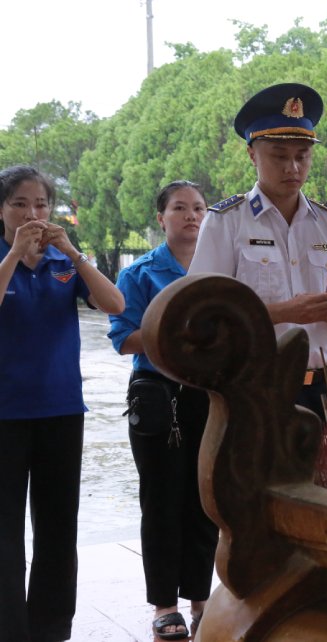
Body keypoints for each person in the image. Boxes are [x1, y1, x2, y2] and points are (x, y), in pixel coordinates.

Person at [190, 83, 327, 421]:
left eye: (302, 157)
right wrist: (284, 312)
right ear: (251, 154)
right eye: (279, 156)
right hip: (252, 389)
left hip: (322, 390)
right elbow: (203, 316)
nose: (292, 167)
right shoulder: (226, 223)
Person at [0, 165, 125, 642]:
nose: (33, 214)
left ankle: (51, 629)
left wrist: (72, 252)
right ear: (2, 210)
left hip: (60, 410)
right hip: (4, 414)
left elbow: (115, 305)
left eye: (41, 204)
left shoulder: (64, 262)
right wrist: (14, 254)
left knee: (57, 528)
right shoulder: (4, 255)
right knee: (5, 534)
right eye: (19, 204)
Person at [107, 181, 219, 641]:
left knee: (204, 499)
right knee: (161, 500)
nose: (191, 216)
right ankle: (164, 605)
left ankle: (201, 600)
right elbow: (122, 338)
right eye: (179, 208)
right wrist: (174, 338)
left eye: (198, 208)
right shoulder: (140, 274)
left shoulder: (218, 269)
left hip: (207, 392)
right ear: (161, 217)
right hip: (156, 393)